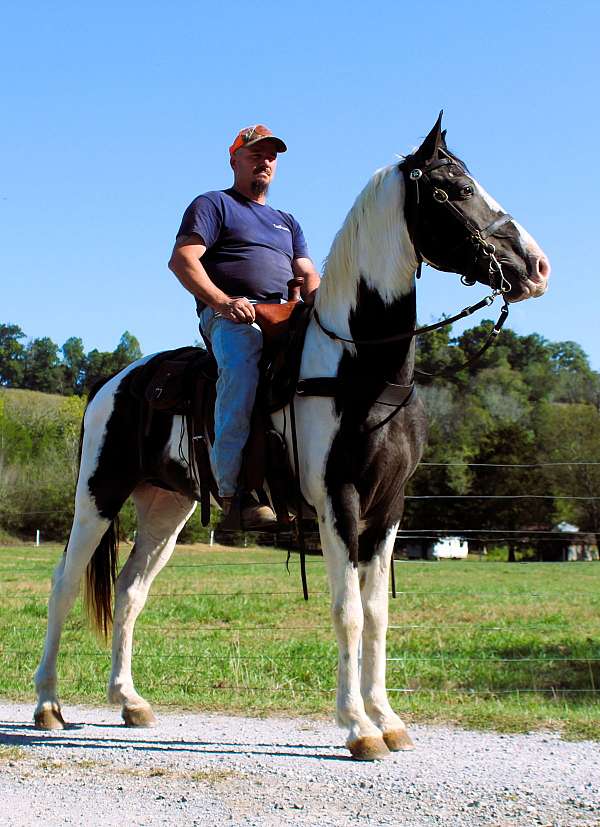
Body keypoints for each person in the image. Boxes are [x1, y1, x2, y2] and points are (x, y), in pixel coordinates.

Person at [168, 124, 321, 528]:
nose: (265, 162)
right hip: (234, 315)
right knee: (242, 362)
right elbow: (183, 260)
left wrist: (322, 304)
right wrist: (222, 302)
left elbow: (306, 272)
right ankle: (232, 490)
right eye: (255, 154)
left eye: (271, 156)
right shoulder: (214, 204)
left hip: (286, 315)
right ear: (234, 159)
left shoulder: (287, 222)